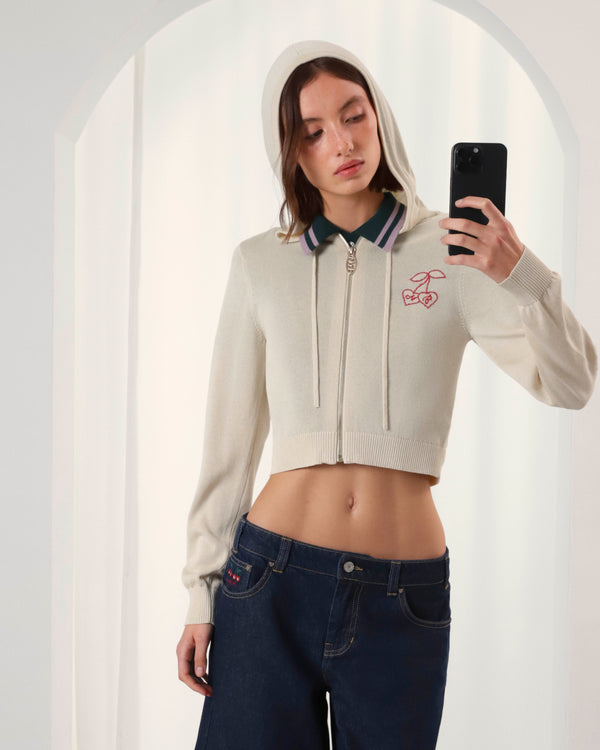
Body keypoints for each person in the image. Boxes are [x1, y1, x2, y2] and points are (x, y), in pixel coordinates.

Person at [176, 39, 597, 750]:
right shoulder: (259, 264)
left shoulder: (454, 252)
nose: (342, 143)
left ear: (380, 117)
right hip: (268, 584)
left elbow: (573, 383)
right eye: (314, 132)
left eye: (354, 116)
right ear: (292, 152)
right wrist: (201, 590)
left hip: (403, 597)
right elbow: (228, 445)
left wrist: (520, 272)